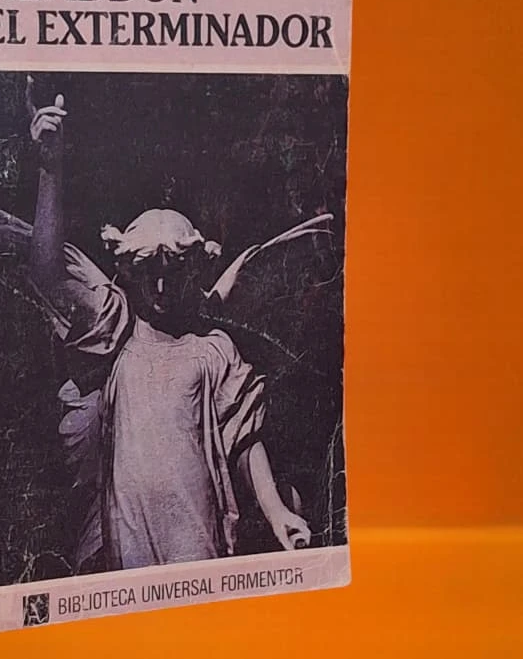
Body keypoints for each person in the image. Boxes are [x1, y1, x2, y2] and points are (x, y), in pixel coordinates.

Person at [26, 79, 312, 572]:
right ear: (127, 271)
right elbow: (48, 273)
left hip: (195, 524)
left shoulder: (211, 349)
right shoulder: (113, 334)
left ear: (193, 271)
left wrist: (276, 510)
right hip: (128, 525)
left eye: (173, 275)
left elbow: (244, 438)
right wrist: (50, 171)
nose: (160, 289)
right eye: (148, 274)